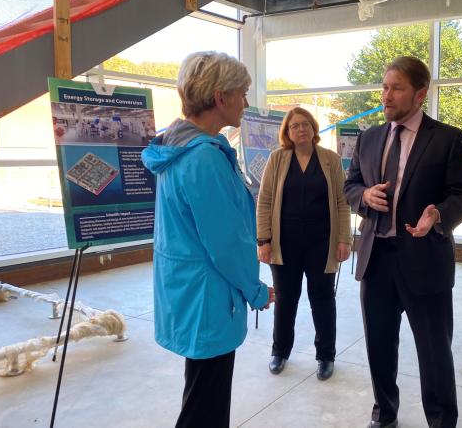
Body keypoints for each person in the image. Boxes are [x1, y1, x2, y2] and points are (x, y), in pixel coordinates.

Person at [141, 51, 274, 428]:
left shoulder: (177, 148)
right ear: (220, 98)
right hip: (208, 297)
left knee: (201, 393)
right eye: (242, 93)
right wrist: (256, 290)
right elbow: (226, 243)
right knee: (206, 408)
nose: (246, 103)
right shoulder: (204, 159)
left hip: (191, 292)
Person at [344, 56, 462, 428]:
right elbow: (349, 185)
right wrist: (364, 197)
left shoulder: (448, 139)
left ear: (420, 93)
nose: (386, 95)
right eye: (384, 87)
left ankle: (441, 421)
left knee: (434, 352)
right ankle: (384, 415)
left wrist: (438, 216)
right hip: (376, 260)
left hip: (425, 261)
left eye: (396, 87)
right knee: (380, 348)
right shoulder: (368, 138)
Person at [256, 107, 352, 381]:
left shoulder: (331, 160)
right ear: (287, 132)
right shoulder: (277, 159)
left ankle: (326, 356)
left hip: (322, 243)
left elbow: (342, 204)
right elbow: (264, 202)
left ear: (313, 127)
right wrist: (263, 240)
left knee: (322, 299)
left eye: (305, 124)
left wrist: (344, 239)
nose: (300, 129)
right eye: (294, 126)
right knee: (286, 299)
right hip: (285, 243)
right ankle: (280, 351)